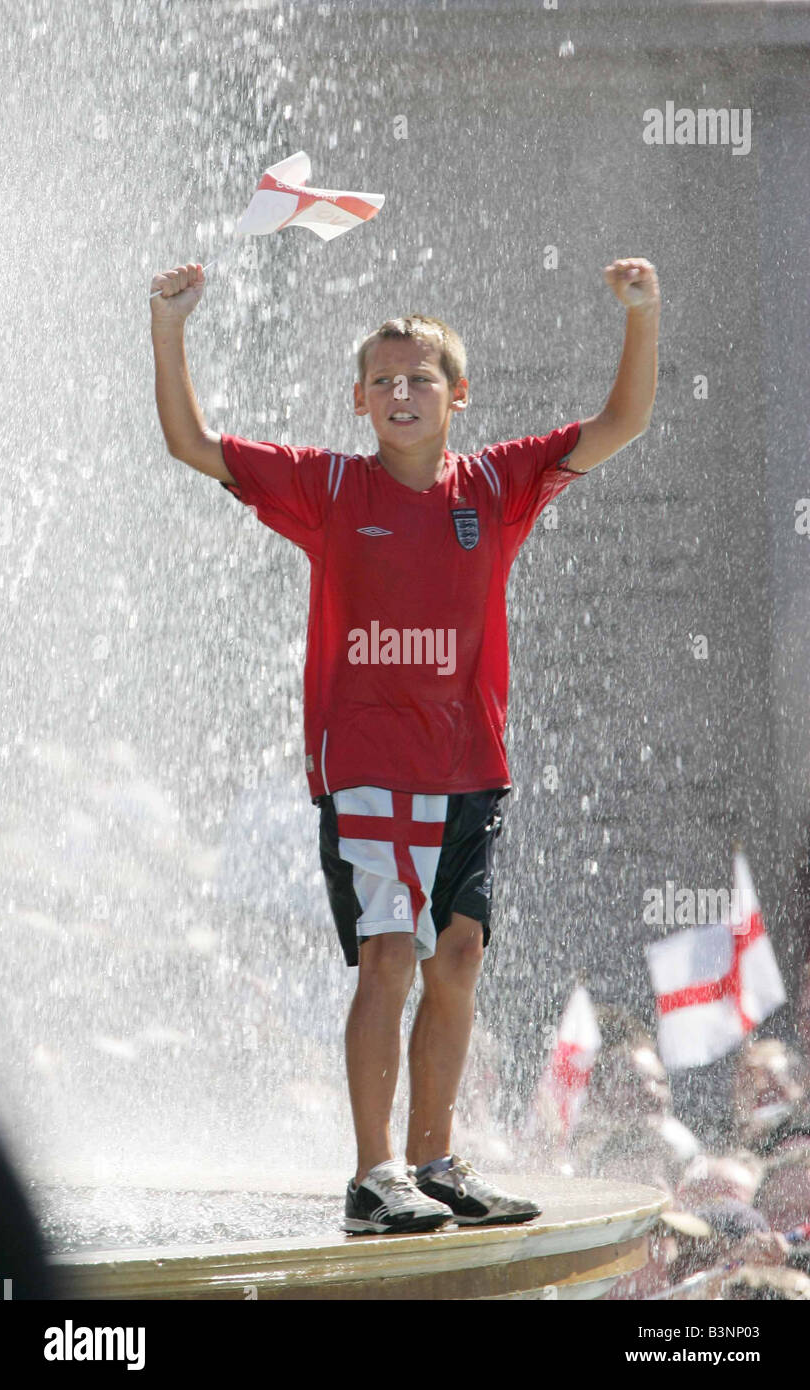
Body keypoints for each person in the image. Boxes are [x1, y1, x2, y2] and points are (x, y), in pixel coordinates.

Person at [150, 254, 660, 1233]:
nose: (400, 392)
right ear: (357, 400)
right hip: (370, 768)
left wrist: (643, 314)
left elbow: (621, 425)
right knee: (388, 953)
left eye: (420, 376)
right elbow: (192, 443)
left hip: (471, 768)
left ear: (458, 395)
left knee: (457, 955)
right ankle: (373, 1173)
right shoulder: (330, 486)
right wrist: (171, 329)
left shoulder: (500, 482)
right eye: (382, 380)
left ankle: (435, 1160)